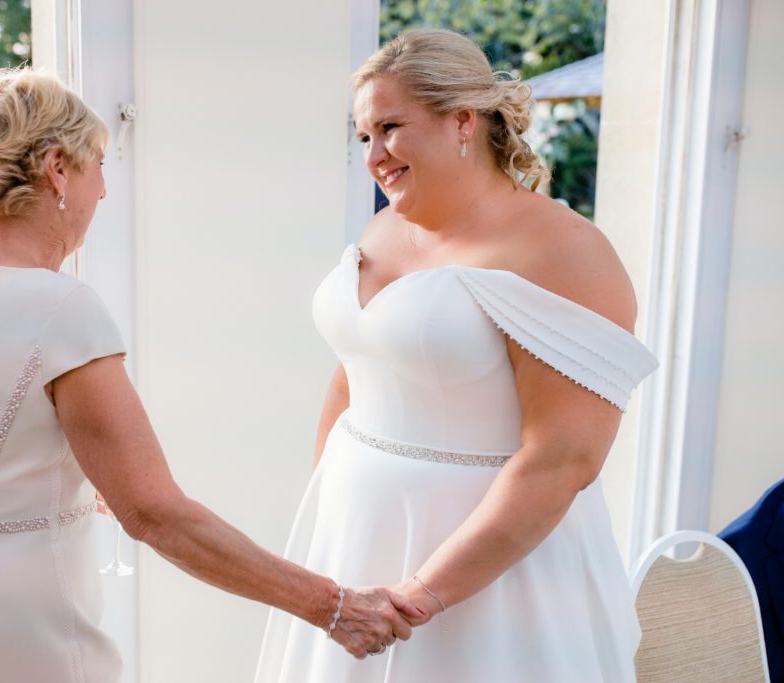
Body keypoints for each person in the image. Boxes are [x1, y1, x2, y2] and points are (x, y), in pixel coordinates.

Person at [0, 68, 423, 683]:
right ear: (57, 168)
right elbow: (156, 515)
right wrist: (334, 605)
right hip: (16, 629)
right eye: (97, 165)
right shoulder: (61, 308)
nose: (104, 191)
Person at [255, 29, 659, 683]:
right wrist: (327, 508)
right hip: (352, 537)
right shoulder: (382, 226)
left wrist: (423, 592)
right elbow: (354, 374)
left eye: (390, 127)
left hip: (492, 578)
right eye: (364, 136)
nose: (374, 156)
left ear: (463, 120)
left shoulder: (564, 252)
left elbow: (562, 459)